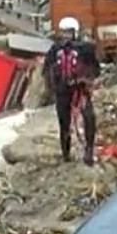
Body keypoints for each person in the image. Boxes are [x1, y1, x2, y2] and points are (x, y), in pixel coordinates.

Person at [42, 17, 101, 165]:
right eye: (64, 33)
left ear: (75, 32)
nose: (67, 36)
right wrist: (51, 88)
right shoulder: (54, 50)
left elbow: (95, 69)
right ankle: (66, 154)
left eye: (69, 32)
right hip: (62, 90)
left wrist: (86, 80)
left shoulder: (85, 48)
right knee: (64, 123)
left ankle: (88, 151)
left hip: (80, 89)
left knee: (89, 118)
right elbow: (46, 70)